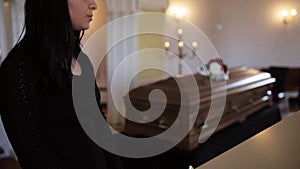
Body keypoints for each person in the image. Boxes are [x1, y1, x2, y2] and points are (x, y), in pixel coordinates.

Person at [0, 0, 123, 169]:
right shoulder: (18, 69)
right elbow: (33, 155)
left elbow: (99, 125)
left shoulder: (81, 59)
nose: (94, 4)